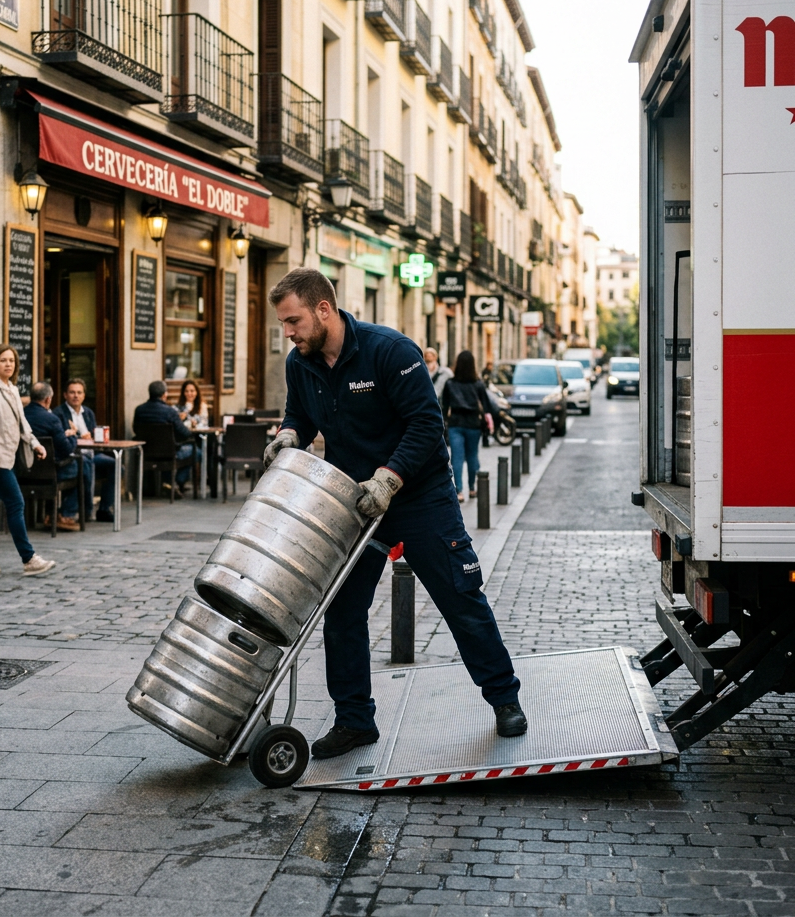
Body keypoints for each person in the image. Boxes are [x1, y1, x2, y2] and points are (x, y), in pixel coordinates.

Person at [263, 268, 525, 759]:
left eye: (293, 320)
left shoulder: (390, 351)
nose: (289, 332)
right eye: (283, 323)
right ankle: (355, 721)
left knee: (460, 599)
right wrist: (288, 435)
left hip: (420, 498)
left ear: (324, 309)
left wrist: (389, 478)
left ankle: (504, 699)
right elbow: (298, 412)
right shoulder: (301, 363)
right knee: (340, 612)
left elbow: (426, 425)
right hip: (353, 503)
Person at [0, 345, 56, 575]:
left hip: (7, 457)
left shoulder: (12, 389)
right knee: (16, 504)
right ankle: (29, 559)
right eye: (3, 360)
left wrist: (35, 443)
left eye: (12, 361)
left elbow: (22, 423)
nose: (8, 364)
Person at [54, 378, 117, 523]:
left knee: (115, 465)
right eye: (72, 392)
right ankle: (84, 510)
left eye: (79, 393)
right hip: (73, 456)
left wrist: (92, 437)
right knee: (86, 465)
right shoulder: (59, 414)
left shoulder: (88, 412)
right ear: (65, 395)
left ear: (83, 395)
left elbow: (94, 434)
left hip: (91, 453)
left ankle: (104, 509)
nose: (76, 396)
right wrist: (79, 437)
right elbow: (61, 439)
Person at [24, 381, 81, 531]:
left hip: (23, 472)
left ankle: (52, 514)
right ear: (48, 399)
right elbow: (66, 448)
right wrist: (73, 435)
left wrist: (64, 435)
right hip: (50, 473)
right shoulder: (51, 419)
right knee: (80, 468)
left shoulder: (21, 415)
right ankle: (63, 514)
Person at [442, 350, 494, 504]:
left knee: (457, 458)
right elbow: (486, 406)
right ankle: (472, 488)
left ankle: (459, 491)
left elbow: (444, 406)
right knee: (472, 456)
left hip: (456, 424)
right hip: (473, 424)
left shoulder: (450, 384)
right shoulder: (478, 384)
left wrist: (444, 422)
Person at [133, 380, 199, 495]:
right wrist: (183, 422)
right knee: (197, 452)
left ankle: (168, 482)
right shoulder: (170, 412)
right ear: (164, 394)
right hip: (169, 453)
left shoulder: (139, 410)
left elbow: (135, 429)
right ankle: (177, 482)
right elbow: (184, 433)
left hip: (146, 452)